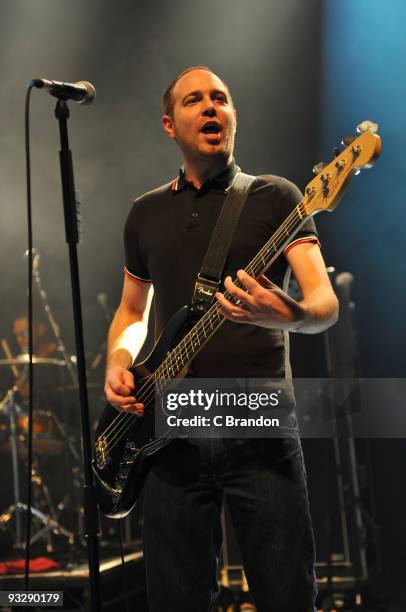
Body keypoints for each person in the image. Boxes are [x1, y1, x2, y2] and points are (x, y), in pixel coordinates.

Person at [104, 66, 339, 612]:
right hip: (172, 430)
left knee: (286, 595)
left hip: (258, 421)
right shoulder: (145, 212)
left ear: (233, 115)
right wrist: (118, 358)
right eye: (195, 100)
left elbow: (323, 304)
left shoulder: (277, 196)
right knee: (176, 598)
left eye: (221, 99)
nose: (211, 107)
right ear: (170, 124)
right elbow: (131, 311)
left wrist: (290, 315)